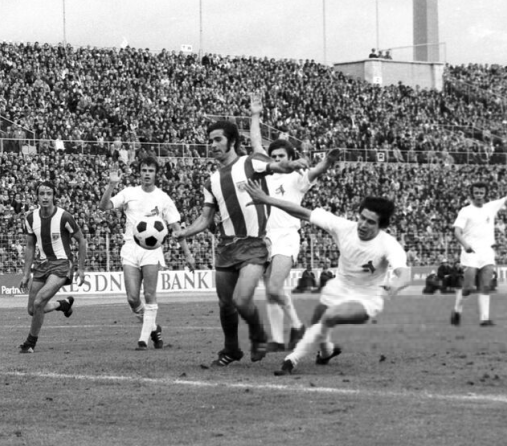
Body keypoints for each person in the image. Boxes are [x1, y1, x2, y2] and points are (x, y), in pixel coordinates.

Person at [173, 120, 308, 367]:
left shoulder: (249, 163)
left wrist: (292, 164)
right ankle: (231, 349)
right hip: (226, 248)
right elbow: (205, 218)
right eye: (210, 141)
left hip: (254, 245)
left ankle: (258, 335)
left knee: (242, 299)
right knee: (225, 304)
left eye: (218, 139)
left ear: (232, 141)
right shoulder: (211, 181)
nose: (213, 145)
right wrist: (185, 232)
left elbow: (276, 166)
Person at [242, 180, 410, 376]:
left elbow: (404, 274)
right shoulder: (344, 227)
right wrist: (266, 199)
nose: (363, 224)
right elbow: (301, 212)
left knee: (329, 316)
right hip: (338, 288)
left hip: (366, 298)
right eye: (362, 218)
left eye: (370, 222)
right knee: (317, 320)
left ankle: (291, 360)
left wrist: (395, 286)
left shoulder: (388, 244)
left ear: (382, 226)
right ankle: (327, 352)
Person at [249, 94, 338, 351]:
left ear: (290, 157)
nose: (277, 159)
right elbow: (256, 143)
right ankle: (279, 340)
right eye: (274, 155)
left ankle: (297, 327)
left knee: (274, 286)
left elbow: (316, 170)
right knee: (271, 290)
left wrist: (327, 161)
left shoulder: (296, 178)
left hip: (287, 235)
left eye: (281, 155)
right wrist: (255, 115)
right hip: (265, 237)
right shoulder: (266, 172)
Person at [99, 156, 195, 349]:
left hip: (152, 250)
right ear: (139, 173)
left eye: (151, 171)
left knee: (149, 294)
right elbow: (103, 207)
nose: (147, 174)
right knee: (132, 298)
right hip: (130, 248)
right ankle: (153, 328)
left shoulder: (163, 197)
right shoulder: (129, 192)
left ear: (156, 174)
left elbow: (176, 228)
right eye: (144, 170)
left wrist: (187, 254)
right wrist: (111, 185)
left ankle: (143, 340)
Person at [450, 179, 507, 327]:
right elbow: (457, 231)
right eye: (476, 193)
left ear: (485, 194)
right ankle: (457, 310)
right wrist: (465, 245)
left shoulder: (491, 207)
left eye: (481, 193)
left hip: (487, 252)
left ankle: (485, 319)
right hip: (470, 252)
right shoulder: (465, 211)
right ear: (472, 194)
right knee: (468, 288)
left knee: (486, 285)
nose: (479, 195)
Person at [18, 181, 87, 353]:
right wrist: (26, 274)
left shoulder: (64, 217)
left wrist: (80, 268)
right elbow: (30, 246)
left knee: (39, 301)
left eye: (49, 193)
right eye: (42, 193)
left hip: (61, 264)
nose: (45, 197)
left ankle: (30, 343)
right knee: (32, 309)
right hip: (42, 265)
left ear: (54, 196)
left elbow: (81, 240)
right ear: (37, 196)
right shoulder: (30, 218)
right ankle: (62, 304)